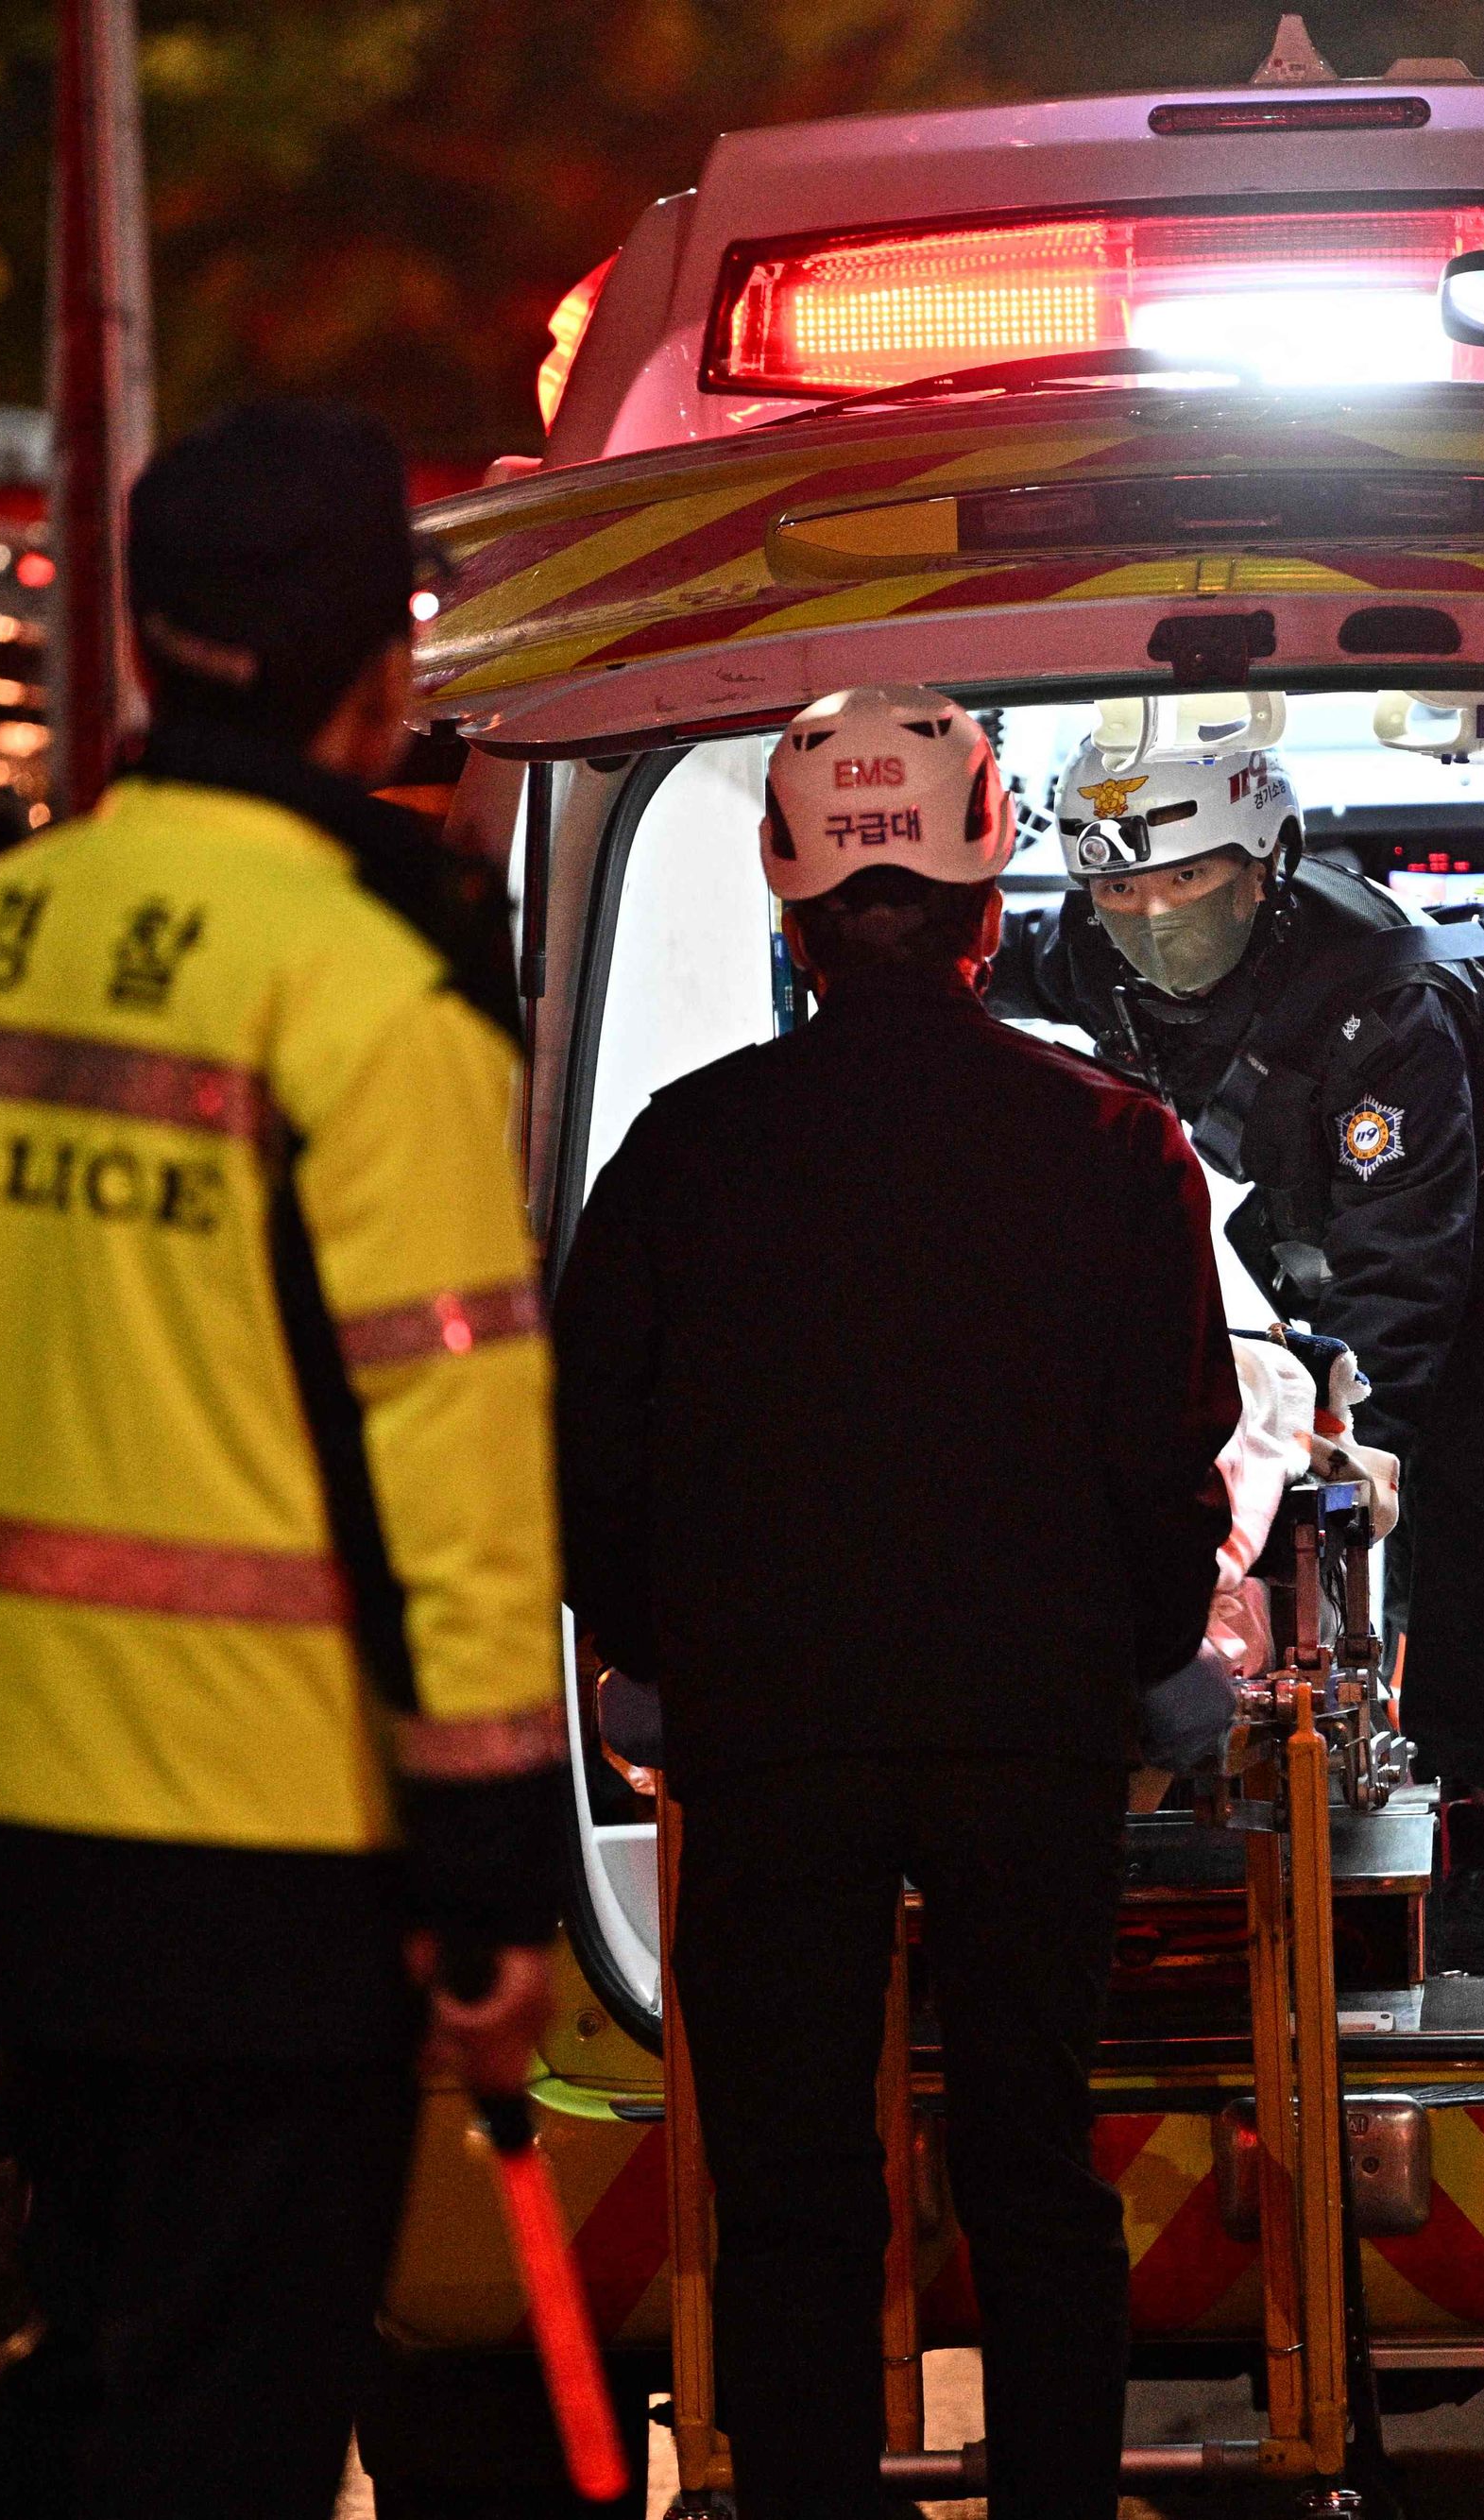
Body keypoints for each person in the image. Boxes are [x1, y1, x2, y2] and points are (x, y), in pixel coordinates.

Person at [0, 401, 566, 2519]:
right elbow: (448, 1468)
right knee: (225, 2424)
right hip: (261, 1853)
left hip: (6, 1824)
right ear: (384, 657)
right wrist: (487, 1880)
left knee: (89, 2364)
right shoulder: (370, 993)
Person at [551, 687, 1240, 2518]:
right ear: (986, 907)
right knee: (1030, 2167)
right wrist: (1132, 1658)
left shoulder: (677, 1160)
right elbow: (1169, 1470)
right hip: (1034, 1737)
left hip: (767, 1738)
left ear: (788, 916)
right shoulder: (1117, 1149)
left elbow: (586, 1469)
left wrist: (657, 1652)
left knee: (787, 2188)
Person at [995, 730, 1484, 1972]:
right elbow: (974, 976)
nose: (1148, 915)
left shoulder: (1377, 996)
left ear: (1263, 868)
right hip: (1355, 1224)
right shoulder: (1090, 951)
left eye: (1184, 880)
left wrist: (1358, 1452)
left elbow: (1407, 1274)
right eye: (1118, 887)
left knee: (1456, 1488)